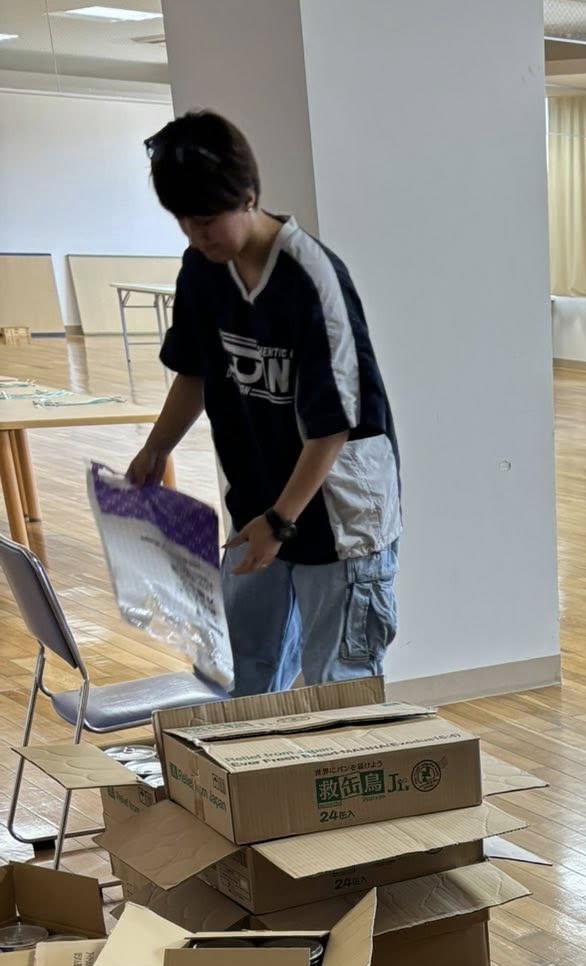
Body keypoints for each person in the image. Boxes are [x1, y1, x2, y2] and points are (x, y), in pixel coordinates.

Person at [126, 110, 400, 694]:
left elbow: (332, 426)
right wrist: (156, 447)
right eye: (183, 222)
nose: (196, 235)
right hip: (256, 505)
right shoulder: (202, 271)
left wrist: (281, 521)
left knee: (339, 689)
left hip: (339, 514)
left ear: (248, 197)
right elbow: (195, 372)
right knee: (239, 676)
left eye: (206, 221)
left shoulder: (312, 279)